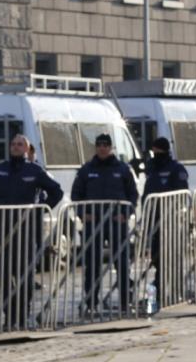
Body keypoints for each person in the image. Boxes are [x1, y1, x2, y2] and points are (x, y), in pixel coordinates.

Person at [0, 134, 63, 329]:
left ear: (27, 149)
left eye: (20, 145)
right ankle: (10, 315)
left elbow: (56, 191)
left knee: (25, 274)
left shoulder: (34, 170)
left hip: (27, 232)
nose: (16, 147)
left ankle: (22, 314)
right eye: (13, 144)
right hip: (1, 230)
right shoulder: (0, 170)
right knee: (4, 274)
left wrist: (40, 209)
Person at [71, 133, 139, 313]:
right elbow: (76, 195)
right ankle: (91, 304)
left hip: (117, 223)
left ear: (110, 147)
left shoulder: (122, 169)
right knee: (92, 265)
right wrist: (82, 214)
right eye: (99, 144)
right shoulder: (86, 169)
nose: (102, 148)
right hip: (93, 224)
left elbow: (132, 194)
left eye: (105, 145)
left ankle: (125, 301)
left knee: (122, 263)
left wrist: (126, 214)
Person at [143, 137, 189, 305]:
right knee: (157, 259)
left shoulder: (175, 169)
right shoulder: (152, 168)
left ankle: (168, 292)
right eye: (154, 151)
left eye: (158, 151)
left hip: (171, 222)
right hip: (154, 220)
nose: (156, 155)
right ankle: (160, 291)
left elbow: (182, 193)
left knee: (170, 259)